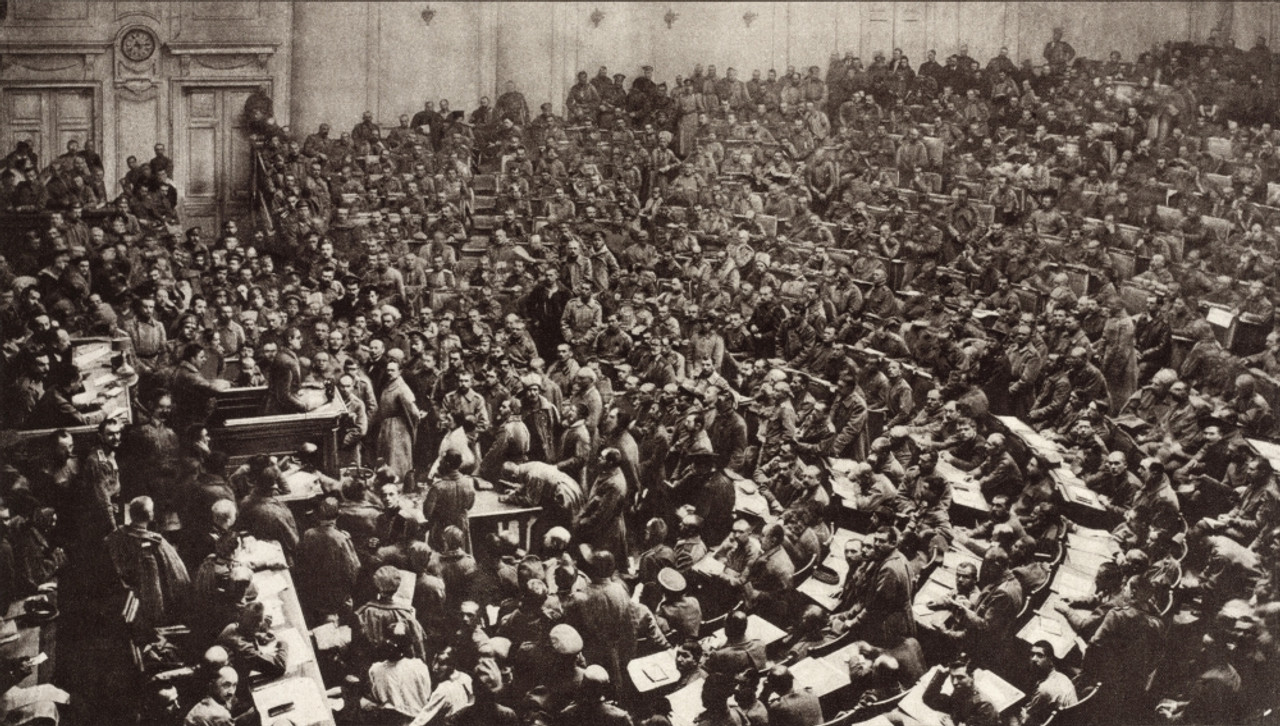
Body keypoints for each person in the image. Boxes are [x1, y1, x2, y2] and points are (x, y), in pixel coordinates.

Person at [106, 495, 191, 630]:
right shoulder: (157, 542)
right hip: (147, 603)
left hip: (120, 597)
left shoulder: (114, 537)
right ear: (150, 515)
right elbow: (179, 576)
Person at [376, 358, 426, 481]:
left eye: (393, 370)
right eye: (388, 370)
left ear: (400, 371)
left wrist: (411, 425)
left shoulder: (402, 388)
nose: (389, 373)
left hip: (398, 428)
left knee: (397, 458)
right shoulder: (388, 385)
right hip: (386, 425)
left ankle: (400, 482)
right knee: (386, 456)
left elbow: (413, 410)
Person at [1019, 640, 1078, 726]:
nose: (1034, 659)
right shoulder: (1063, 677)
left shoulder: (1044, 689)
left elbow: (1025, 719)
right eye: (1032, 654)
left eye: (1040, 655)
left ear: (1050, 660)